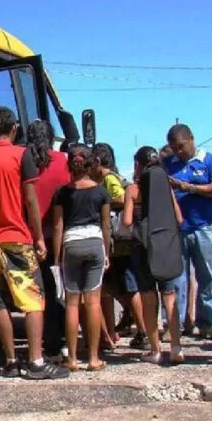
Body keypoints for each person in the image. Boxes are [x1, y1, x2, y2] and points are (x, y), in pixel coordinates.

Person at [0, 107, 69, 379]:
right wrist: (38, 236)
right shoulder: (21, 154)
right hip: (17, 237)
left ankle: (11, 361)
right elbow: (30, 199)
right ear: (13, 128)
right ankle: (36, 362)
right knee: (34, 299)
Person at [123, 146, 185, 365]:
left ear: (138, 165)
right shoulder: (165, 187)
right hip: (165, 245)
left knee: (149, 297)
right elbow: (179, 218)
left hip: (142, 247)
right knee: (170, 295)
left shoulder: (133, 189)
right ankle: (176, 347)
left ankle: (156, 350)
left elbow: (127, 222)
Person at [52, 144, 111, 371]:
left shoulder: (62, 193)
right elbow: (106, 226)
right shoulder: (101, 192)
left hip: (71, 245)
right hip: (94, 243)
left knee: (72, 304)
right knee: (93, 302)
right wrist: (107, 252)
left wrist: (57, 258)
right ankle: (94, 358)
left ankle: (73, 359)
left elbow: (58, 227)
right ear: (90, 163)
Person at [164, 124, 212, 340]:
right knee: (177, 278)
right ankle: (175, 325)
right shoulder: (168, 164)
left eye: (181, 146)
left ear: (191, 139)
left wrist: (189, 187)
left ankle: (205, 323)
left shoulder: (209, 160)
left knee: (206, 277)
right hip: (178, 229)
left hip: (204, 226)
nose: (179, 151)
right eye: (174, 148)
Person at [26, 120, 71, 363]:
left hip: (30, 235)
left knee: (36, 293)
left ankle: (40, 342)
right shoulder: (62, 160)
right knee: (59, 290)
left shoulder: (23, 160)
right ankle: (60, 342)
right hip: (58, 235)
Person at [91, 144, 125, 350]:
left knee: (107, 291)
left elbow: (121, 197)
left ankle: (111, 332)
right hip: (105, 236)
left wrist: (105, 203)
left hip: (111, 235)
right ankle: (110, 331)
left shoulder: (110, 178)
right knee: (105, 292)